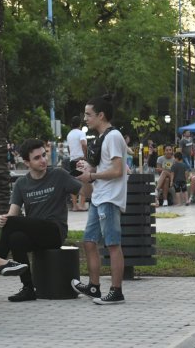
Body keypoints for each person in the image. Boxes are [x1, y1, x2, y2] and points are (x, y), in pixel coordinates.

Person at [0, 139, 83, 302]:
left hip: (54, 232)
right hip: (35, 236)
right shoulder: (22, 183)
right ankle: (28, 288)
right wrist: (3, 219)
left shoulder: (58, 175)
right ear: (27, 162)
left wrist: (88, 177)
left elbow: (86, 191)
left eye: (44, 155)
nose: (43, 160)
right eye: (37, 158)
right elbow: (12, 214)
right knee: (16, 239)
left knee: (13, 224)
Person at [71, 95, 127, 305]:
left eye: (88, 114)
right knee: (89, 241)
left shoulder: (112, 136)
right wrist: (89, 168)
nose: (85, 118)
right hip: (99, 197)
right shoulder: (104, 137)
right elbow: (106, 167)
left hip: (109, 199)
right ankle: (94, 286)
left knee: (112, 245)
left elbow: (117, 170)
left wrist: (92, 176)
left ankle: (116, 291)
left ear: (101, 115)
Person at [66, 116, 88, 211]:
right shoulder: (81, 133)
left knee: (74, 182)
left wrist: (72, 155)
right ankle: (81, 205)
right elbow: (83, 144)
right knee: (84, 181)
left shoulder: (69, 134)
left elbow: (68, 148)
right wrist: (85, 155)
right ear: (80, 124)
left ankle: (75, 206)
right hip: (81, 159)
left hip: (72, 160)